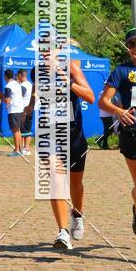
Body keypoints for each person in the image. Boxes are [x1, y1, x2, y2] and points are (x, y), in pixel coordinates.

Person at [30, 53, 94, 250]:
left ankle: (77, 214)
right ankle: (63, 232)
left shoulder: (71, 68)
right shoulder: (36, 72)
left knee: (76, 185)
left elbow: (90, 97)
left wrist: (69, 83)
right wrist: (30, 106)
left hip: (74, 136)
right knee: (56, 179)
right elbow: (36, 91)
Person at [99, 27, 136, 237]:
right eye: (132, 44)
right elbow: (103, 102)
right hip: (133, 133)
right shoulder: (121, 71)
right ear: (127, 48)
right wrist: (119, 111)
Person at [3, 68, 23, 156]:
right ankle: (20, 149)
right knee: (18, 130)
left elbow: (7, 100)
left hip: (13, 110)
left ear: (5, 77)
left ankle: (17, 151)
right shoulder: (18, 84)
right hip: (19, 109)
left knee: (15, 131)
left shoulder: (8, 86)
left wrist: (1, 96)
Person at [17, 68, 33, 156]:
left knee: (25, 130)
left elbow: (19, 96)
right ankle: (25, 148)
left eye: (17, 76)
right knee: (26, 129)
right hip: (29, 109)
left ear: (20, 75)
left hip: (24, 110)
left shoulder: (23, 85)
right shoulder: (29, 84)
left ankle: (26, 149)